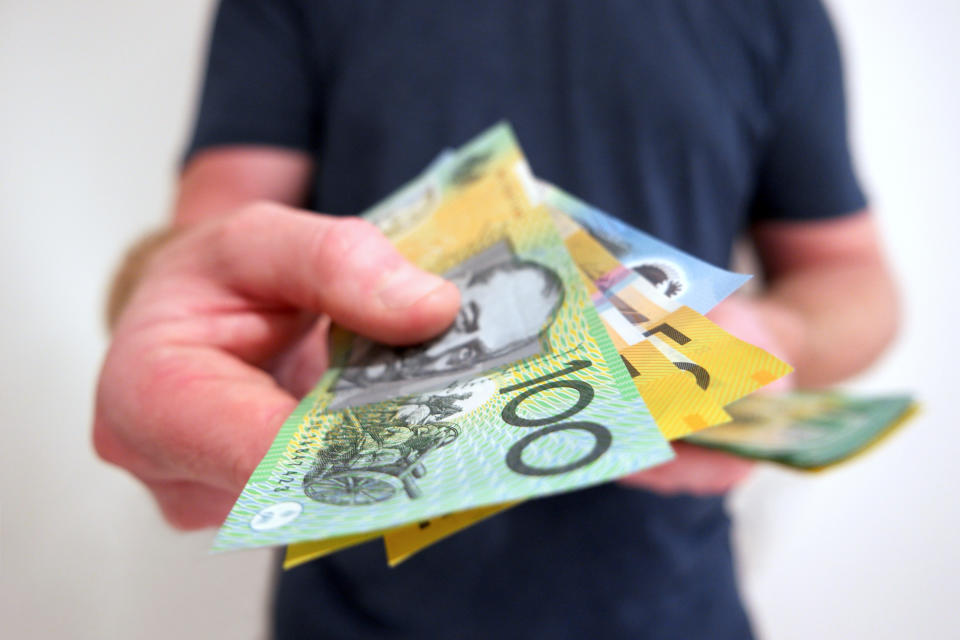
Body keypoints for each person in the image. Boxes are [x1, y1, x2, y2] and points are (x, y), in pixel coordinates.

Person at [93, 1, 899, 638]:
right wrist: (187, 313)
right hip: (356, 614)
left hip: (674, 609)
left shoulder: (772, 9)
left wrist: (776, 337)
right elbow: (202, 251)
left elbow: (851, 276)